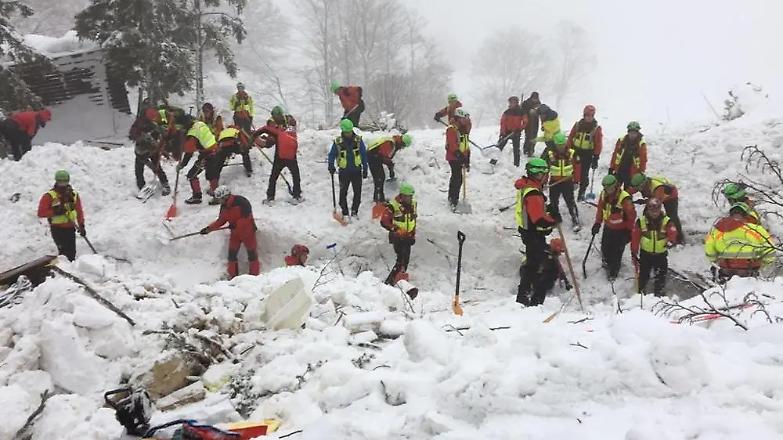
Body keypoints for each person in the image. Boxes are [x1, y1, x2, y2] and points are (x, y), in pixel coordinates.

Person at [514, 158, 560, 305]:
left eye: (543, 172)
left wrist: (547, 211)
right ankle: (536, 301)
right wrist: (553, 220)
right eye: (538, 172)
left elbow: (535, 212)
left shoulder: (528, 187)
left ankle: (523, 296)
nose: (542, 175)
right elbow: (538, 220)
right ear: (531, 172)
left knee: (532, 265)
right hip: (534, 235)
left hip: (528, 232)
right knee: (549, 269)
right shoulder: (533, 193)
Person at [704, 202, 776, 282]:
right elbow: (770, 250)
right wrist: (763, 264)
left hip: (726, 271)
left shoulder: (717, 230)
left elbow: (709, 251)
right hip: (750, 271)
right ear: (746, 215)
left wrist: (715, 261)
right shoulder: (757, 230)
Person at [199, 186, 259, 279]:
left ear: (225, 197)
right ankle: (233, 276)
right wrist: (209, 229)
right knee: (232, 255)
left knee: (252, 254)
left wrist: (236, 224)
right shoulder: (224, 207)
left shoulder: (241, 202)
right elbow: (221, 220)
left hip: (248, 232)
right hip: (235, 234)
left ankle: (255, 276)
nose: (218, 201)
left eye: (219, 199)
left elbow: (247, 218)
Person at [592, 174, 636, 281]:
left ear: (615, 186)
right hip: (608, 227)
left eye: (610, 188)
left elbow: (631, 216)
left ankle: (614, 271)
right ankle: (606, 262)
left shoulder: (624, 198)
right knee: (605, 248)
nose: (608, 190)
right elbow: (600, 210)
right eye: (606, 188)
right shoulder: (603, 195)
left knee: (616, 252)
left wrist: (629, 231)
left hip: (621, 230)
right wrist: (597, 223)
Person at [630, 198, 678, 297]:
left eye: (656, 211)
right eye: (652, 211)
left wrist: (671, 241)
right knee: (643, 275)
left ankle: (659, 295)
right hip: (645, 254)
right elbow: (635, 237)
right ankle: (641, 295)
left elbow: (673, 232)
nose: (654, 213)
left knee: (660, 276)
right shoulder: (641, 221)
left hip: (661, 254)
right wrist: (634, 252)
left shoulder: (666, 221)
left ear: (660, 209)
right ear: (648, 210)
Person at [254, 106, 302, 202]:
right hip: (291, 155)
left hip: (280, 156)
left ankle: (270, 197)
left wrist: (255, 139)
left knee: (273, 177)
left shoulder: (275, 129)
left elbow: (268, 143)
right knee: (295, 175)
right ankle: (297, 195)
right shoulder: (290, 122)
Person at [37, 170, 85, 262]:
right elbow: (41, 212)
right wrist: (56, 211)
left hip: (70, 228)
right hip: (57, 229)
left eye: (65, 182)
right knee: (64, 254)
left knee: (71, 253)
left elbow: (79, 211)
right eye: (60, 182)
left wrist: (82, 225)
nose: (63, 184)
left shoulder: (74, 195)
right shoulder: (50, 196)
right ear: (56, 181)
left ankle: (71, 270)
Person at [328, 119, 369, 217]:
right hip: (344, 172)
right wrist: (330, 165)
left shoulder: (358, 140)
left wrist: (365, 168)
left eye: (350, 131)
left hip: (356, 171)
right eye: (346, 132)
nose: (349, 134)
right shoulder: (338, 142)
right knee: (343, 193)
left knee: (357, 193)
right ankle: (345, 211)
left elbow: (363, 154)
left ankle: (355, 211)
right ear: (342, 131)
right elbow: (332, 155)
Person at [176, 115, 221, 204]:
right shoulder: (200, 124)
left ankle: (199, 197)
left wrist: (182, 165)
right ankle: (216, 195)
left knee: (192, 175)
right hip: (216, 150)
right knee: (212, 175)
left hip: (208, 154)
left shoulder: (192, 135)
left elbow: (189, 153)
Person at [628, 173, 684, 244]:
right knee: (646, 214)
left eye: (639, 187)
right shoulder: (646, 184)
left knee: (672, 216)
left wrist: (645, 201)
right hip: (656, 195)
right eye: (637, 188)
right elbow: (631, 190)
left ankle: (679, 238)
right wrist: (626, 196)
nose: (638, 190)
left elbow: (655, 204)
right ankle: (647, 232)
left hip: (670, 196)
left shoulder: (658, 188)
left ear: (643, 184)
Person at [380, 182, 417, 285]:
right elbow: (384, 221)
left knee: (405, 261)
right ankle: (389, 283)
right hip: (397, 237)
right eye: (408, 196)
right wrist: (396, 229)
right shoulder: (393, 206)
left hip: (408, 236)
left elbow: (413, 220)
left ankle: (399, 280)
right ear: (403, 196)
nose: (410, 199)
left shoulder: (413, 204)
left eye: (411, 196)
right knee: (401, 260)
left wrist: (413, 234)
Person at [517, 238, 572, 306]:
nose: (560, 253)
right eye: (559, 251)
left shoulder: (546, 252)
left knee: (544, 281)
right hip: (532, 274)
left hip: (531, 273)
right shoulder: (546, 256)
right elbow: (547, 270)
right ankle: (534, 304)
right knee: (543, 283)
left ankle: (531, 302)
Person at [128, 108, 171, 195]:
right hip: (142, 151)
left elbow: (162, 134)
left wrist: (164, 134)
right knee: (142, 169)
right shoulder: (142, 124)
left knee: (152, 167)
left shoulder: (150, 124)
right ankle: (143, 187)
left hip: (151, 149)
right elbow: (132, 134)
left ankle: (165, 184)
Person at [566, 105, 603, 201]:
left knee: (584, 175)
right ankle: (568, 191)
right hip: (575, 151)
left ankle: (581, 194)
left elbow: (598, 143)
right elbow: (570, 137)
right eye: (587, 115)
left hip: (587, 154)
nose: (589, 117)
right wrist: (568, 150)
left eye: (591, 115)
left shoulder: (596, 128)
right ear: (584, 115)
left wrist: (596, 157)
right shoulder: (578, 125)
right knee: (570, 172)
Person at [546, 131, 581, 230]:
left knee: (570, 201)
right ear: (555, 144)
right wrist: (542, 182)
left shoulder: (572, 153)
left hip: (567, 181)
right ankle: (556, 217)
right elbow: (545, 169)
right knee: (553, 201)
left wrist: (576, 181)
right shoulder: (550, 154)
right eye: (558, 145)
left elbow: (577, 168)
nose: (560, 147)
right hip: (554, 182)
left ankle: (575, 219)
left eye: (562, 144)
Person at [367, 134, 412, 203]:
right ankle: (379, 200)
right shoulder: (390, 143)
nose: (403, 148)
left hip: (375, 157)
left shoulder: (394, 143)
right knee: (379, 178)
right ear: (402, 142)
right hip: (373, 157)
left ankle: (378, 198)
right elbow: (384, 156)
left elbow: (385, 156)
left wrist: (390, 166)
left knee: (380, 178)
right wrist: (390, 165)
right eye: (404, 146)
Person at [445, 108, 471, 212]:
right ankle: (453, 199)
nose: (466, 120)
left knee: (458, 178)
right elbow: (452, 146)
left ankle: (454, 198)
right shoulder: (452, 129)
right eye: (464, 118)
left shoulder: (463, 129)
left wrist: (467, 158)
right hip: (454, 157)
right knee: (457, 178)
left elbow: (466, 145)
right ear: (458, 118)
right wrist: (461, 157)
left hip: (461, 157)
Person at [609, 121, 647, 189]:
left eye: (634, 133)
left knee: (628, 192)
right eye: (631, 132)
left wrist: (641, 172)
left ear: (637, 133)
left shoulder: (641, 144)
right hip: (620, 169)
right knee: (615, 189)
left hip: (631, 172)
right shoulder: (621, 141)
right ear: (628, 132)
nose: (632, 135)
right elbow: (615, 154)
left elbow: (643, 160)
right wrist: (612, 167)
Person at [215, 125, 253, 189]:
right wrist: (246, 147)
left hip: (223, 146)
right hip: (233, 143)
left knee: (220, 162)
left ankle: (215, 177)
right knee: (245, 153)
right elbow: (243, 140)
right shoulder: (236, 130)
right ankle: (248, 169)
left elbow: (217, 141)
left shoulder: (223, 132)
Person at [497, 96, 528, 167]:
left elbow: (525, 122)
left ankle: (516, 165)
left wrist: (520, 128)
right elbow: (503, 123)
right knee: (498, 148)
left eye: (513, 102)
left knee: (516, 150)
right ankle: (493, 162)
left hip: (516, 133)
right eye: (511, 102)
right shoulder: (506, 112)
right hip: (506, 133)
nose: (511, 104)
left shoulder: (521, 111)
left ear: (517, 103)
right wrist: (502, 133)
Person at [520, 92, 540, 157]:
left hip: (535, 122)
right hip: (528, 122)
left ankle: (531, 150)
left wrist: (536, 112)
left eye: (536, 98)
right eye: (534, 98)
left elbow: (540, 112)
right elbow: (522, 112)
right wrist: (529, 112)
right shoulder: (526, 103)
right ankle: (526, 150)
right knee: (528, 136)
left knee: (534, 136)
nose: (535, 100)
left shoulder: (538, 103)